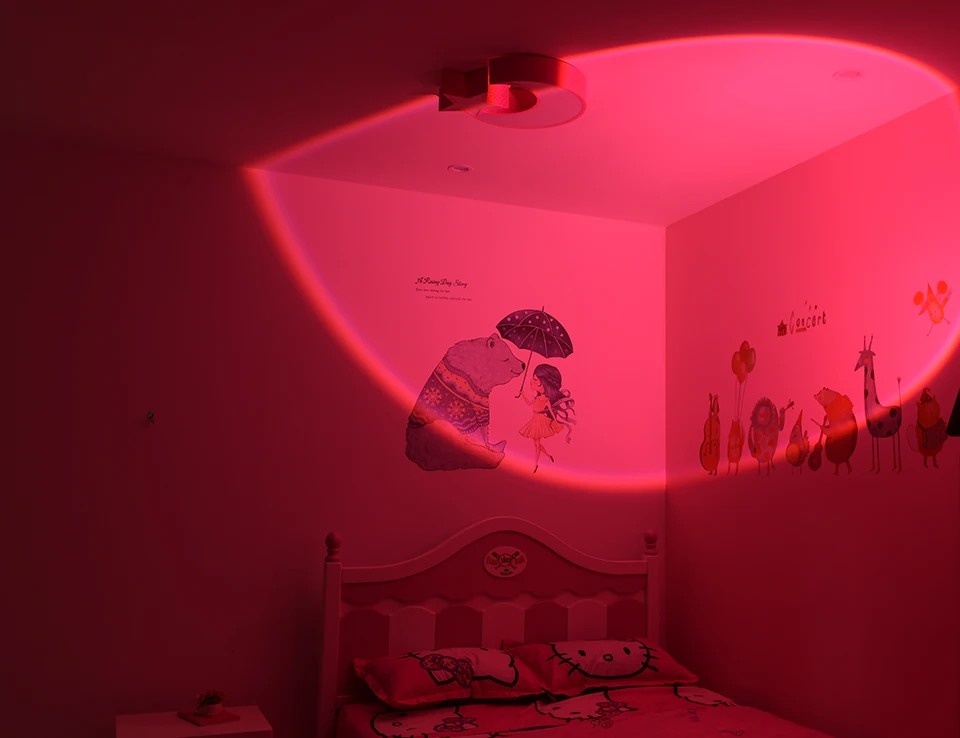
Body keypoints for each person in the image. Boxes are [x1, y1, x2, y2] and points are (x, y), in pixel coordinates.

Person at [519, 364, 576, 472]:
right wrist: (522, 394)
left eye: (535, 379)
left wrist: (555, 421)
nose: (531, 381)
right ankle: (548, 456)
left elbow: (550, 411)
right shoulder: (537, 397)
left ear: (544, 382)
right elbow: (529, 403)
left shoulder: (546, 399)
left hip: (540, 421)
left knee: (537, 445)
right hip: (534, 420)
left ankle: (535, 464)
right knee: (537, 444)